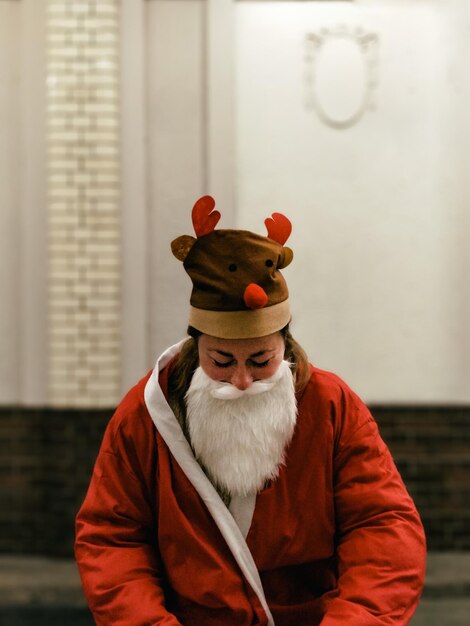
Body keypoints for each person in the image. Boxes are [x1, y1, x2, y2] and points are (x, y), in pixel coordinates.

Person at [75, 196, 426, 626]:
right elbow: (113, 537)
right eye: (221, 361)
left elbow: (383, 526)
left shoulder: (331, 406)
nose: (241, 382)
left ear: (286, 346)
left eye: (261, 361)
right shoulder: (145, 415)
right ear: (194, 346)